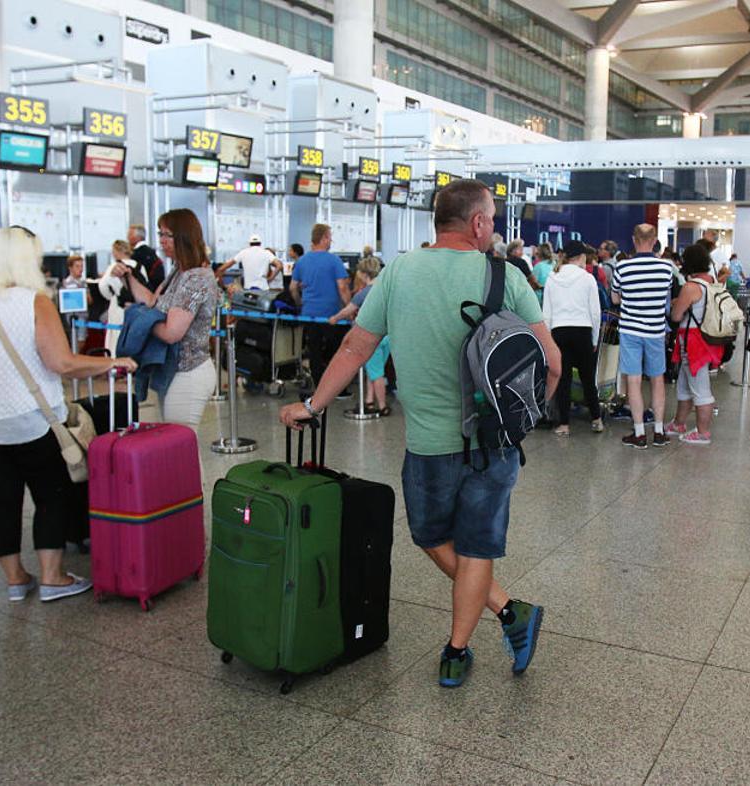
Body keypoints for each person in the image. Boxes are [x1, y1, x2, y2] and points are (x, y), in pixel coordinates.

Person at [279, 179, 560, 689]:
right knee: (476, 548)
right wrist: (526, 418)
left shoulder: (398, 272)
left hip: (427, 445)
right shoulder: (504, 275)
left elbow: (353, 351)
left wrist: (311, 405)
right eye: (492, 217)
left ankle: (458, 648)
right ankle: (506, 614)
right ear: (477, 223)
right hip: (493, 443)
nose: (493, 226)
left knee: (432, 538)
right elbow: (552, 363)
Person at [0, 226, 137, 600]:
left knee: (1, 499)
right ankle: (53, 577)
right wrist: (113, 363)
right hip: (29, 420)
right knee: (50, 495)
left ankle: (16, 580)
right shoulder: (34, 301)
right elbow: (62, 363)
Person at [111, 209, 221, 426]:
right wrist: (129, 278)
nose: (160, 241)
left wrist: (142, 321)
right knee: (177, 448)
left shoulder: (196, 277)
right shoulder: (179, 271)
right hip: (174, 372)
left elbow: (172, 333)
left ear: (183, 236)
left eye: (166, 235)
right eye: (160, 234)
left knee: (180, 448)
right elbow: (152, 301)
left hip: (189, 374)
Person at [612, 224, 677, 449]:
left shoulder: (622, 267)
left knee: (633, 380)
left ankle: (639, 433)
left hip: (630, 330)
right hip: (656, 331)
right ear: (655, 240)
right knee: (658, 379)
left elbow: (615, 299)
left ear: (634, 239)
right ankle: (659, 431)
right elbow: (666, 296)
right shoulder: (666, 268)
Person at [542, 239, 602, 436]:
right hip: (583, 330)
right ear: (582, 256)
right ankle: (596, 419)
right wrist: (594, 339)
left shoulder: (552, 277)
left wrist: (548, 339)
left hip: (559, 331)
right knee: (587, 377)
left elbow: (546, 312)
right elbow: (595, 313)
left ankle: (564, 424)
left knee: (563, 379)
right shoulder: (587, 278)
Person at [668, 244, 723, 445]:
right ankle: (678, 423)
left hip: (693, 341)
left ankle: (703, 432)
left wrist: (677, 303)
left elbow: (676, 316)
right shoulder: (712, 283)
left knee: (700, 387)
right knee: (685, 383)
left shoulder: (691, 287)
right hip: (707, 337)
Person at [291, 223, 352, 392]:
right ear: (324, 238)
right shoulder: (334, 260)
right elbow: (342, 288)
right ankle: (336, 388)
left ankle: (319, 388)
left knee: (314, 352)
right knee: (335, 352)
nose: (331, 240)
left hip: (309, 314)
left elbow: (293, 288)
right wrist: (350, 308)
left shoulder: (302, 261)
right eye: (330, 237)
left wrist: (300, 304)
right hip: (331, 315)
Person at [329, 257, 392, 415]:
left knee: (376, 374)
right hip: (387, 338)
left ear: (364, 274)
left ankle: (383, 406)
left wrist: (335, 318)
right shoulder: (385, 289)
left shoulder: (363, 293)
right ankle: (369, 401)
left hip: (371, 339)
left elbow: (348, 310)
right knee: (374, 371)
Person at [215, 234, 284, 291]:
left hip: (248, 289)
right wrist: (270, 279)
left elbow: (220, 269)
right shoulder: (266, 253)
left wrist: (223, 286)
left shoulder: (243, 252)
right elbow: (279, 265)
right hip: (263, 288)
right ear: (260, 243)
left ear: (249, 243)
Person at [128, 224, 165, 292]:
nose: (127, 237)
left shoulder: (137, 255)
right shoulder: (150, 252)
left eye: (130, 234)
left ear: (138, 237)